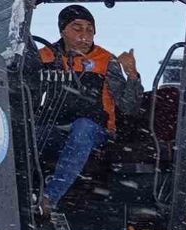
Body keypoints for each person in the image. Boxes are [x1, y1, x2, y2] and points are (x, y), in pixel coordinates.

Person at [38, 5, 145, 212]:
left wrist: (131, 74)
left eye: (89, 29)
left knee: (83, 127)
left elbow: (129, 106)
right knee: (24, 133)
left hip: (97, 131)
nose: (84, 35)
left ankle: (49, 198)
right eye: (77, 28)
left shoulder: (105, 61)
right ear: (62, 31)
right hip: (56, 128)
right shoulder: (44, 57)